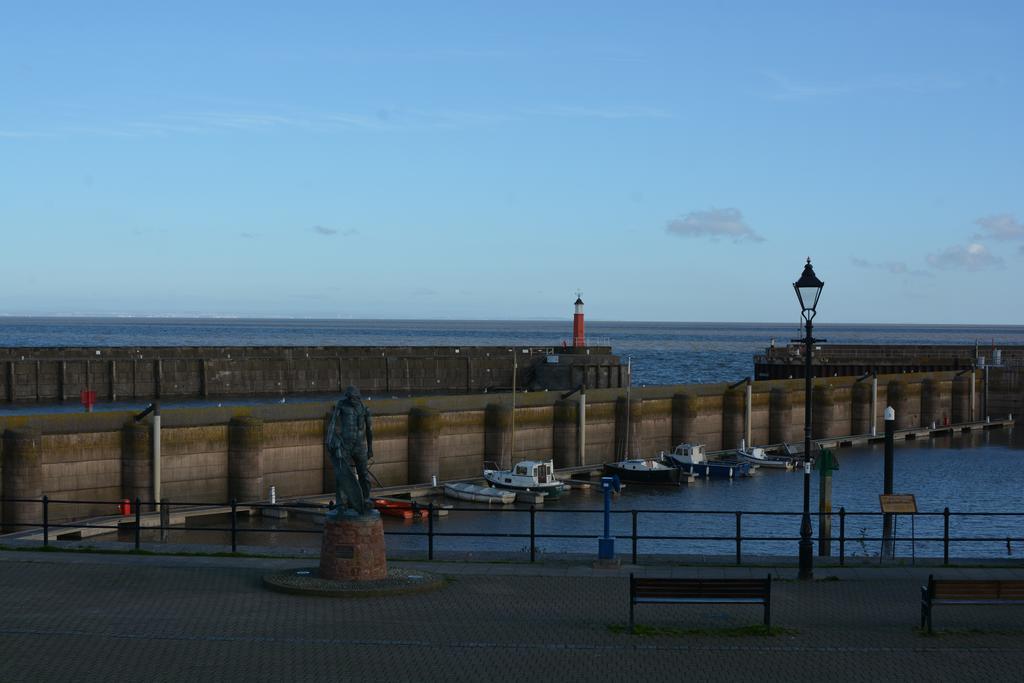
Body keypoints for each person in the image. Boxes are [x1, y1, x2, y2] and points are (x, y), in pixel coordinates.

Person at [325, 385, 374, 516]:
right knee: (342, 474)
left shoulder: (364, 409)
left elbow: (369, 431)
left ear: (358, 397)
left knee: (364, 474)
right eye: (349, 397)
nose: (351, 399)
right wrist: (331, 441)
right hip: (345, 445)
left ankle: (366, 498)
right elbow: (333, 424)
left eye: (353, 397)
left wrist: (370, 449)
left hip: (359, 445)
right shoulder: (341, 406)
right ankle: (341, 502)